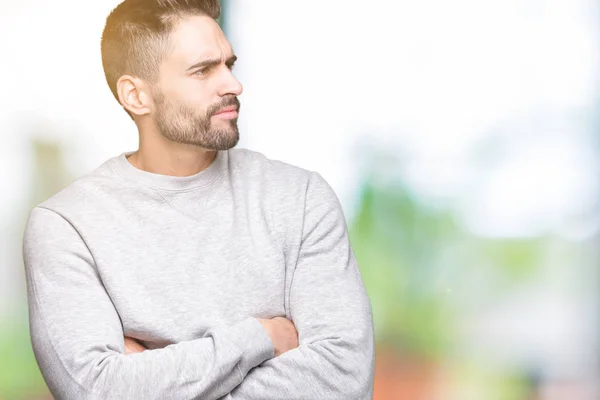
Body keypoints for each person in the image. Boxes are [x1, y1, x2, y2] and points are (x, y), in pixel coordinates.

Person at [22, 0, 375, 398]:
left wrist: (154, 377)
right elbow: (95, 390)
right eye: (203, 70)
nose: (232, 85)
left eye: (229, 64)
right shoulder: (66, 226)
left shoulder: (301, 198)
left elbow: (343, 380)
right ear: (136, 95)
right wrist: (260, 338)